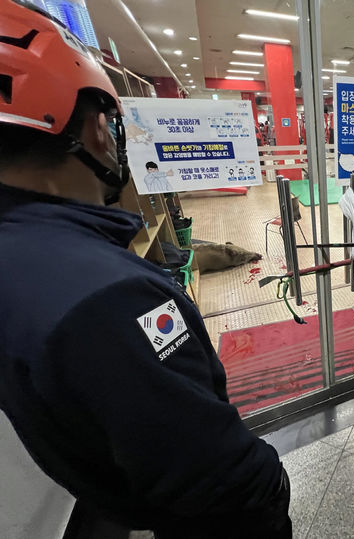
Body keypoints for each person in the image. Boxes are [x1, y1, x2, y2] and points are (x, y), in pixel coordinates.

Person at [0, 2, 290, 538]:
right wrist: (270, 482)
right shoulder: (110, 296)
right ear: (92, 131)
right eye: (109, 121)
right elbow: (217, 473)